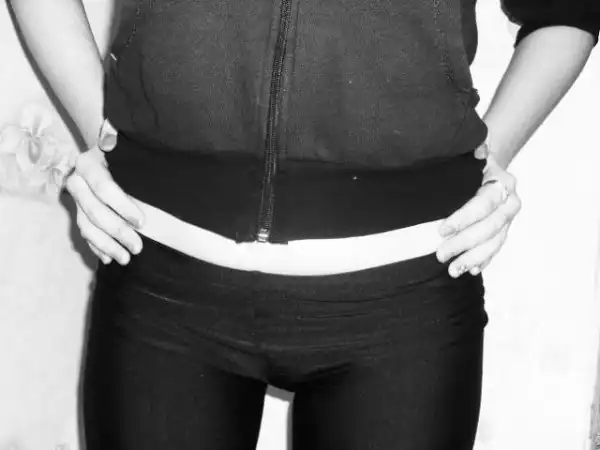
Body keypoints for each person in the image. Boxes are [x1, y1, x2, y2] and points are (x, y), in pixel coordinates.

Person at [9, 0, 599, 448]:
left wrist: (490, 155)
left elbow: (568, 9)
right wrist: (103, 134)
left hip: (406, 307)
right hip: (160, 287)